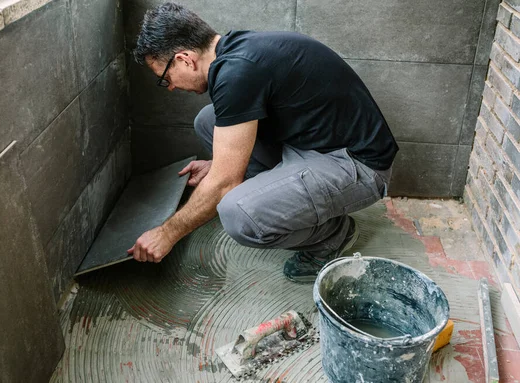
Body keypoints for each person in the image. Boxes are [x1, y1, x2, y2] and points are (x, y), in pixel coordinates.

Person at [127, 2, 398, 283]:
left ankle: (333, 235)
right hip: (314, 144)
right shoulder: (237, 50)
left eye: (165, 78)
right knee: (208, 121)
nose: (170, 86)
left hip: (358, 165)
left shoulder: (237, 74)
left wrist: (166, 233)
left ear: (185, 59)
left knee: (237, 215)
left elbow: (223, 183)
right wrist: (220, 164)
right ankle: (282, 199)